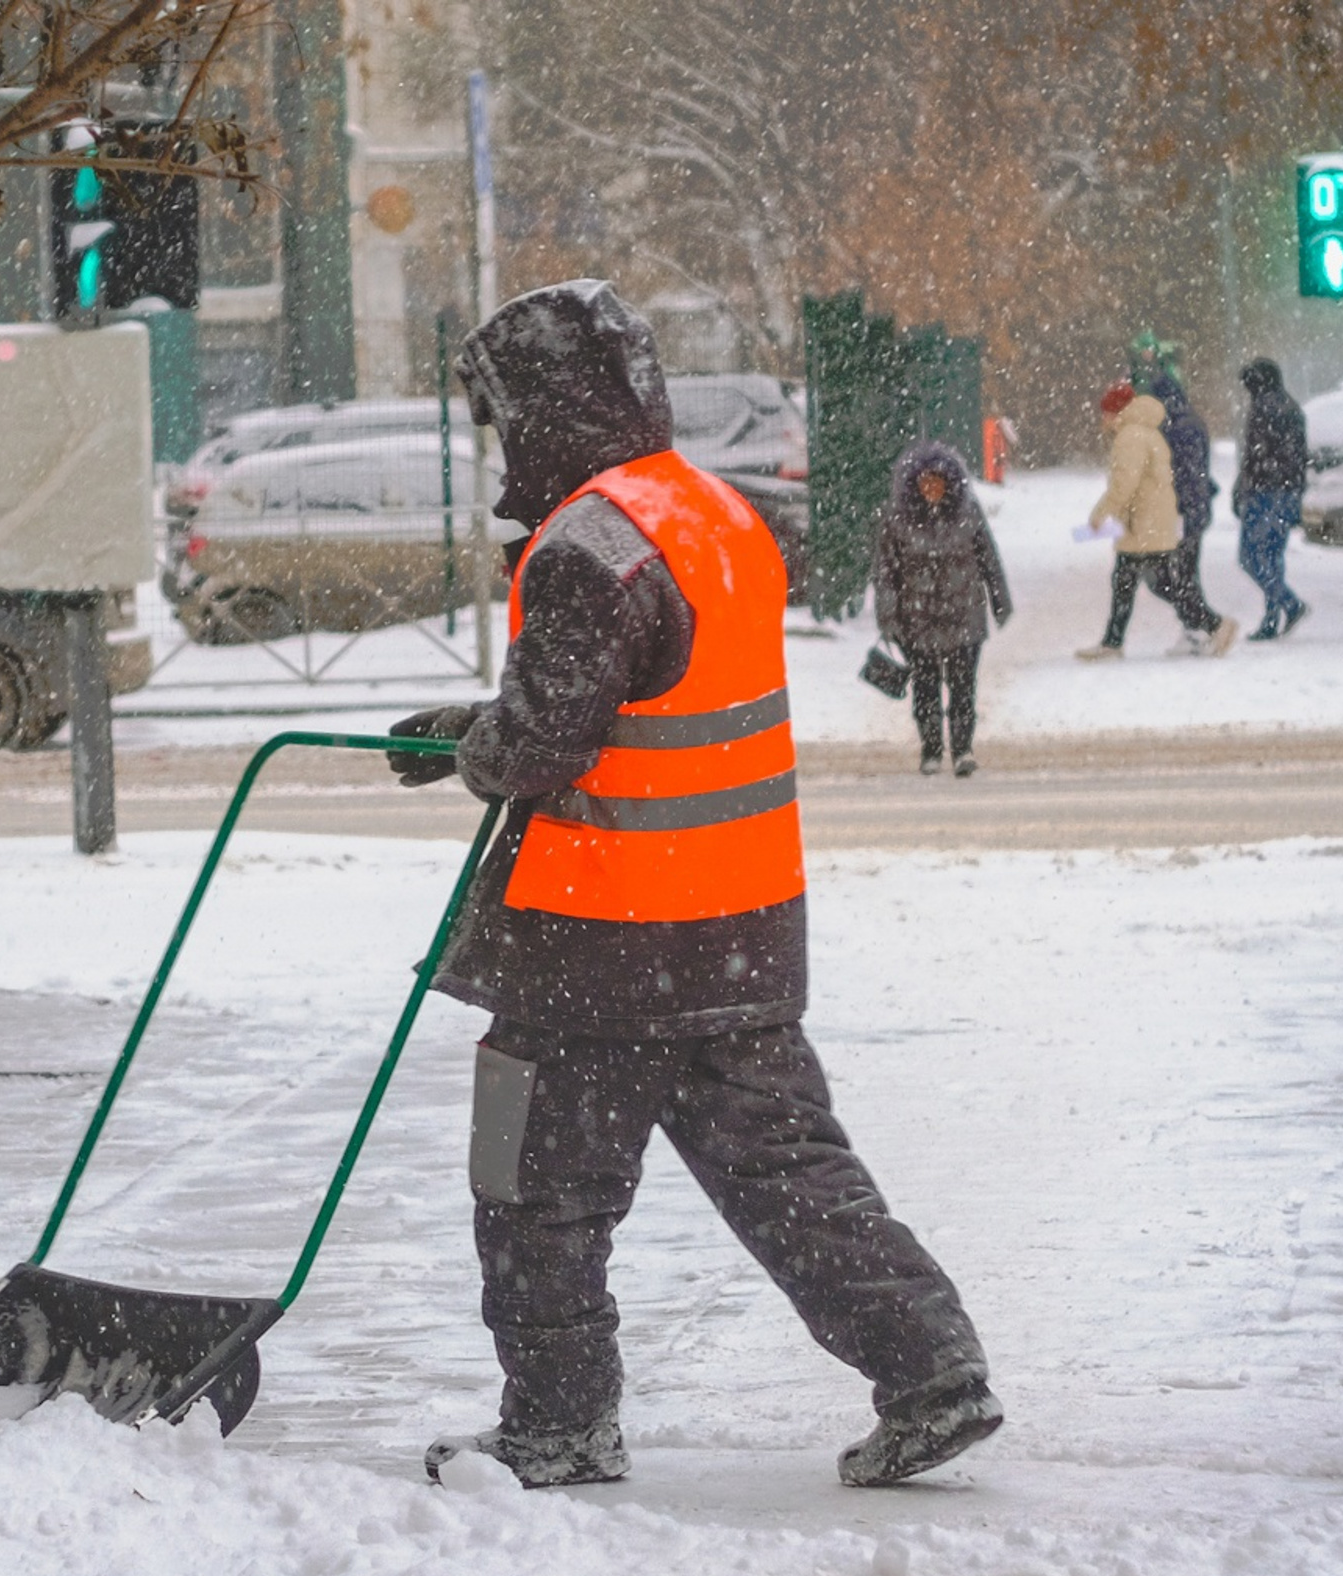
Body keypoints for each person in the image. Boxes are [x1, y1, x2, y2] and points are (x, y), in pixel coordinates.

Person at [384, 281, 1002, 1490]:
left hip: (598, 946)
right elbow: (650, 696)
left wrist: (476, 745)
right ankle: (935, 1369)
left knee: (533, 1188)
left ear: (544, 411)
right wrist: (487, 719)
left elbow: (548, 741)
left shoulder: (586, 545)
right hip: (739, 933)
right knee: (791, 1176)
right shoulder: (709, 511)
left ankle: (559, 1422)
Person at [872, 438, 1011, 777]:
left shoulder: (967, 513)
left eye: (938, 481)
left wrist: (999, 601)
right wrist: (888, 616)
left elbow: (988, 557)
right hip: (917, 621)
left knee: (964, 687)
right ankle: (931, 748)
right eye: (924, 482)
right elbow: (886, 571)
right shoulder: (897, 519)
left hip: (964, 614)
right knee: (926, 689)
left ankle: (963, 748)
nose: (931, 488)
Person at [1077, 385, 1216, 660]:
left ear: (1114, 411)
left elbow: (1124, 484)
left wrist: (1100, 515)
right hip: (1150, 520)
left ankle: (1214, 624)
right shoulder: (1147, 431)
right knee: (1141, 582)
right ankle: (1112, 642)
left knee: (1147, 582)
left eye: (1104, 412)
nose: (1101, 419)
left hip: (1142, 523)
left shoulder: (1130, 436)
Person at [1145, 368, 1237, 655]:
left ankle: (1211, 624)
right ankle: (1196, 629)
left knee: (1166, 577)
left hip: (1183, 512)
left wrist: (1178, 510)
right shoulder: (1191, 421)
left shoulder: (1173, 427)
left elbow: (1182, 474)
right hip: (1195, 509)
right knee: (1183, 575)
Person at [1235, 358, 1310, 641]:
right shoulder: (1291, 406)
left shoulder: (1263, 409)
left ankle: (1289, 604)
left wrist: (1243, 489)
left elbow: (1255, 457)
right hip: (1288, 492)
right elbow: (1298, 456)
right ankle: (1271, 618)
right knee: (1272, 556)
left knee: (1250, 557)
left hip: (1264, 493)